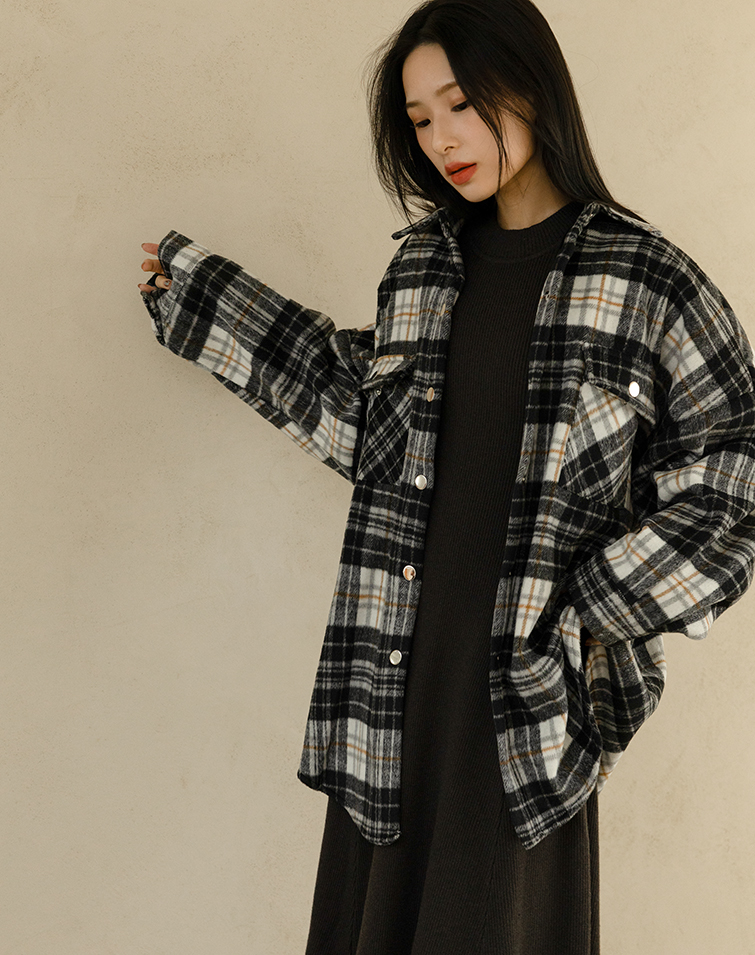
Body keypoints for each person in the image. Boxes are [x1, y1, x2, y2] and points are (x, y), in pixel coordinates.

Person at [137, 1, 755, 952]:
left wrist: (583, 608)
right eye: (420, 118)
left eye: (460, 104)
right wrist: (206, 301)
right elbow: (361, 415)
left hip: (523, 706)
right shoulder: (424, 268)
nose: (441, 140)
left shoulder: (649, 281)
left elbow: (732, 480)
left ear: (529, 87)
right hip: (391, 685)